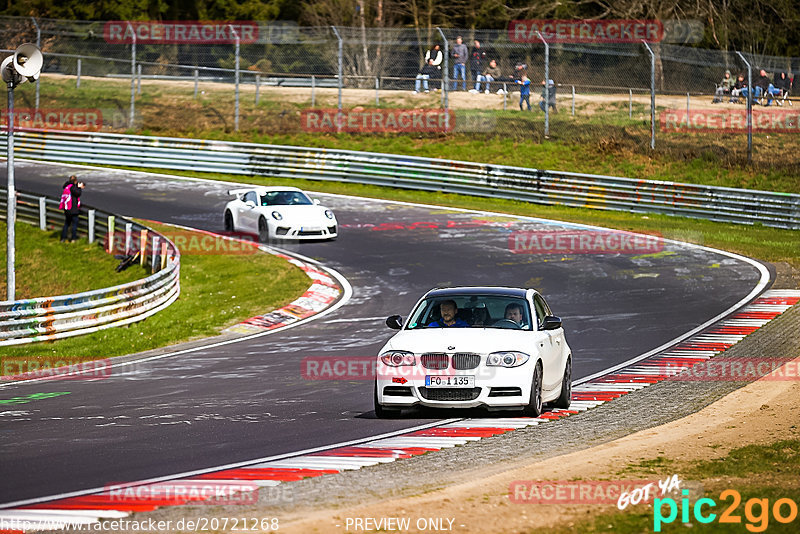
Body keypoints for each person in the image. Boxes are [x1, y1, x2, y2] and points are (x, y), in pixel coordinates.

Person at [59, 175, 84, 242]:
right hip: (73, 209)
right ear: (75, 181)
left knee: (67, 224)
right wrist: (79, 187)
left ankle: (63, 238)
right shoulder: (72, 188)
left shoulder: (66, 187)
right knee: (74, 224)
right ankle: (73, 238)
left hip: (67, 209)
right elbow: (78, 194)